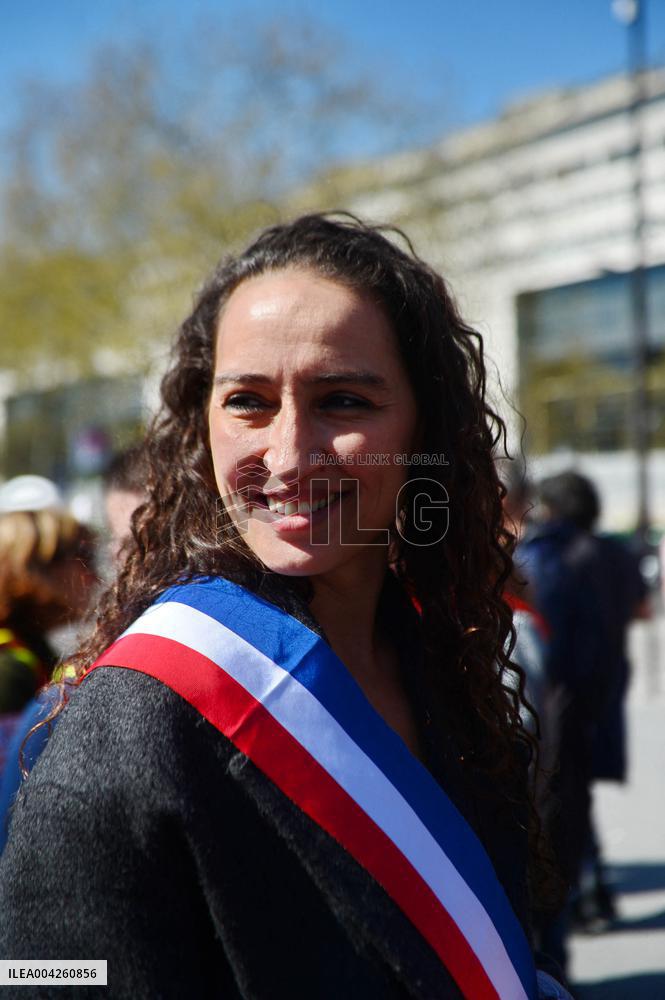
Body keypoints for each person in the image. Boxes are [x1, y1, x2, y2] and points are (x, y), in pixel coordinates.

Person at [0, 215, 569, 999]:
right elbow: (41, 975)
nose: (290, 455)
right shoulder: (128, 721)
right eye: (248, 402)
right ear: (202, 428)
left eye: (343, 400)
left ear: (424, 429)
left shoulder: (443, 661)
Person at [0, 476, 96, 775]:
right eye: (84, 555)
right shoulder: (10, 673)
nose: (93, 574)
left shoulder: (26, 648)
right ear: (36, 563)